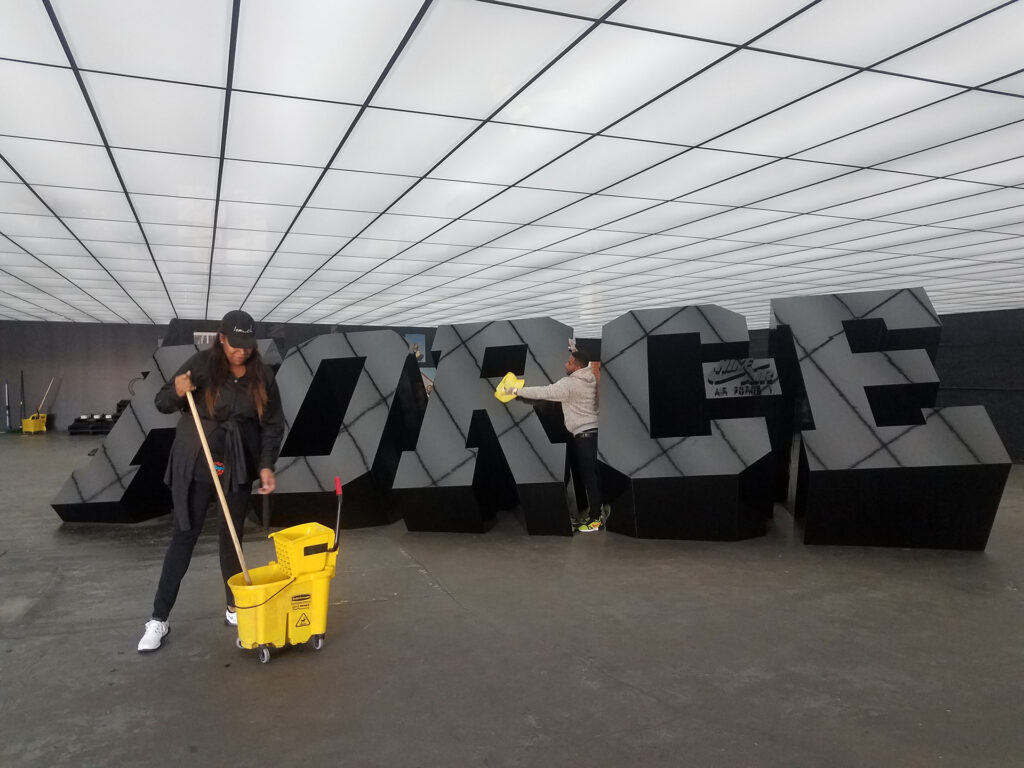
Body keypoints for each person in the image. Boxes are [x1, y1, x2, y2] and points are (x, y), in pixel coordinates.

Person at [138, 310, 285, 652]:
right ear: (222, 338)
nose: (241, 351)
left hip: (237, 466)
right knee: (184, 536)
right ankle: (159, 619)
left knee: (231, 540)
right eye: (236, 344)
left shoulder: (262, 374)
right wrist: (176, 390)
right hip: (197, 462)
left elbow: (273, 424)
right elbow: (162, 402)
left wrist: (265, 465)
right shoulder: (202, 364)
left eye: (248, 345)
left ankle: (234, 606)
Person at [505, 349, 606, 533]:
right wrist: (576, 351)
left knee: (589, 479)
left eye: (569, 362)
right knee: (594, 477)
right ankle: (597, 512)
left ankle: (595, 520)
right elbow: (586, 364)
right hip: (594, 433)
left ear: (576, 366)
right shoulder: (589, 378)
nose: (565, 364)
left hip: (583, 436)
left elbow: (544, 392)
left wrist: (515, 390)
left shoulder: (569, 384)